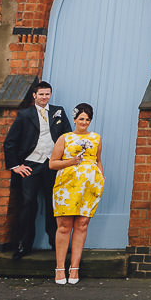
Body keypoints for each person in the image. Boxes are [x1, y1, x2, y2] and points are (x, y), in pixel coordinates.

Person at [2, 80, 71, 258]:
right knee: (28, 204)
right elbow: (10, 142)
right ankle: (25, 245)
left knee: (53, 205)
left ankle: (56, 244)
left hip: (52, 164)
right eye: (41, 94)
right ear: (34, 96)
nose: (44, 97)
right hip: (30, 166)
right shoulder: (25, 115)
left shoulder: (58, 112)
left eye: (47, 94)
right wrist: (16, 166)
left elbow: (68, 137)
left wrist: (65, 160)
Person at [48, 103, 105, 285]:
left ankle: (74, 268)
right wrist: (71, 162)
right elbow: (52, 163)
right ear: (74, 119)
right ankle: (59, 269)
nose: (84, 122)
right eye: (81, 119)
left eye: (88, 119)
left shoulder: (96, 138)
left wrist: (101, 179)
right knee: (64, 226)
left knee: (82, 225)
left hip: (89, 188)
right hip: (67, 186)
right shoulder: (65, 138)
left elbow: (98, 160)